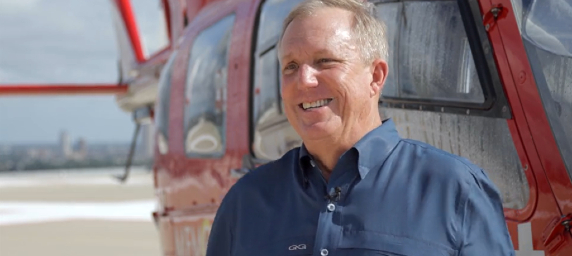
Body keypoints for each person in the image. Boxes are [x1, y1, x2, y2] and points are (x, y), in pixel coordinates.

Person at [206, 0, 515, 255]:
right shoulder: (245, 203)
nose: (304, 80)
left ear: (376, 77)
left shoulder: (455, 191)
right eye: (290, 66)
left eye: (324, 61)